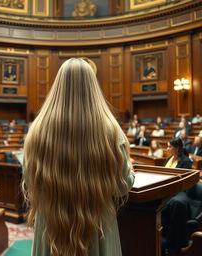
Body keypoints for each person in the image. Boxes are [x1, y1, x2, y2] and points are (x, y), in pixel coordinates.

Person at [22, 58, 135, 256]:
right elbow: (122, 186)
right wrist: (130, 167)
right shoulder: (110, 129)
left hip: (50, 228)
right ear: (93, 88)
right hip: (98, 228)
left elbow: (30, 180)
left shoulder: (37, 130)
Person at [162, 138, 195, 255]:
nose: (167, 149)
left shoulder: (186, 161)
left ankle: (173, 245)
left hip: (180, 192)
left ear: (177, 148)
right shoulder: (168, 160)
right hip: (166, 190)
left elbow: (187, 182)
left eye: (169, 147)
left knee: (176, 203)